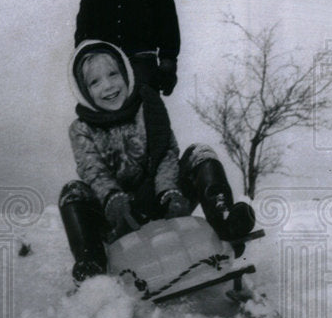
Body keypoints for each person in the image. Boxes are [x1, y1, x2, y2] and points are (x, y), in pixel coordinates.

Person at [58, 40, 255, 282]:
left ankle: (225, 221)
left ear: (126, 74)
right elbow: (93, 170)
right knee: (72, 192)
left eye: (113, 74)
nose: (108, 86)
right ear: (83, 90)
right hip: (118, 217)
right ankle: (90, 262)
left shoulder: (148, 108)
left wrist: (169, 192)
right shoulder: (81, 129)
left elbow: (166, 154)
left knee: (200, 153)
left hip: (162, 200)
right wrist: (112, 199)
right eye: (95, 82)